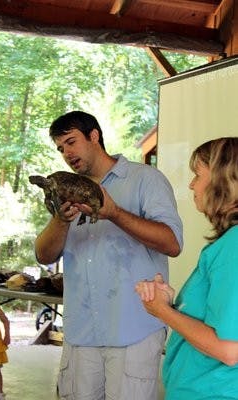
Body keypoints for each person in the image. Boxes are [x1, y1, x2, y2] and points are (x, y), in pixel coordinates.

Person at [35, 110, 183, 400]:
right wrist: (60, 219)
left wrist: (114, 213)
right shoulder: (66, 190)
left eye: (71, 142)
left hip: (134, 330)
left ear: (94, 136)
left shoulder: (145, 179)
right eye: (61, 148)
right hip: (81, 332)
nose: (66, 153)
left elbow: (172, 243)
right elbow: (43, 254)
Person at [135, 137, 238, 400]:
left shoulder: (233, 246)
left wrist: (161, 311)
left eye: (197, 175)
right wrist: (171, 304)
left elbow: (229, 350)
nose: (192, 184)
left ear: (224, 181)